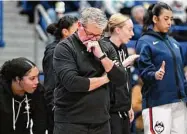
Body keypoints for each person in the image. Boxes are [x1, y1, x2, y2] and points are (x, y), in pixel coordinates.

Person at [53, 7, 126, 134]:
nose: (94, 39)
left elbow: (120, 79)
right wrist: (106, 78)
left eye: (99, 35)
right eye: (91, 34)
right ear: (79, 26)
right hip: (70, 122)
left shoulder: (106, 47)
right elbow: (73, 83)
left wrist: (102, 56)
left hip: (101, 121)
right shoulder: (64, 48)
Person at [135, 2, 187, 134]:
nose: (169, 22)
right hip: (158, 103)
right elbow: (144, 71)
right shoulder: (144, 41)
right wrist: (154, 74)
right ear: (155, 19)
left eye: (171, 19)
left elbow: (180, 73)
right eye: (166, 18)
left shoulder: (175, 43)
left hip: (179, 103)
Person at [42, 15, 78, 134]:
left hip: (73, 109)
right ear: (65, 32)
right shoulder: (53, 52)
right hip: (60, 111)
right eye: (77, 31)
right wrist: (55, 108)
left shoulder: (74, 49)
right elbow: (50, 84)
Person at [104, 13, 139, 134]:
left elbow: (126, 79)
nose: (132, 34)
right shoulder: (104, 48)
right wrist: (122, 65)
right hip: (110, 111)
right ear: (118, 30)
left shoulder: (123, 48)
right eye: (129, 29)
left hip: (123, 108)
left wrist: (128, 105)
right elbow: (106, 78)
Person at [0, 57, 47, 134]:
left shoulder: (38, 91)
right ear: (17, 79)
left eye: (37, 77)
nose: (37, 82)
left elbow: (40, 122)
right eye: (32, 78)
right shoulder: (2, 93)